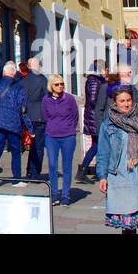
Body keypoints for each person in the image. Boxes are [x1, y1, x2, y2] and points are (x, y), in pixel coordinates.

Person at [96, 86, 138, 233]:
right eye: (122, 101)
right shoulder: (108, 125)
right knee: (128, 229)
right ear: (114, 103)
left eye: (128, 100)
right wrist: (102, 177)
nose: (126, 104)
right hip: (121, 178)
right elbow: (103, 153)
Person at [42, 74, 79, 204]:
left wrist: (69, 128)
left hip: (68, 135)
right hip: (51, 135)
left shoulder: (69, 99)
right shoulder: (46, 100)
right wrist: (54, 126)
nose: (60, 86)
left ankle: (65, 195)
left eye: (62, 84)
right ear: (51, 86)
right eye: (57, 84)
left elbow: (75, 116)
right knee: (52, 164)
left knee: (67, 166)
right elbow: (45, 116)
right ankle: (54, 194)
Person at [77, 60, 108, 184]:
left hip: (93, 117)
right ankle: (83, 171)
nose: (107, 71)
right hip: (95, 118)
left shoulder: (95, 80)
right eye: (106, 68)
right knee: (97, 145)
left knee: (97, 145)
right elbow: (94, 99)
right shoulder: (95, 81)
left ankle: (86, 171)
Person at [18, 57, 48, 178]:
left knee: (31, 145)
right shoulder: (42, 80)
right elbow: (46, 97)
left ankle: (29, 170)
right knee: (38, 146)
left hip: (27, 116)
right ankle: (34, 172)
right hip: (39, 116)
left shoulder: (23, 81)